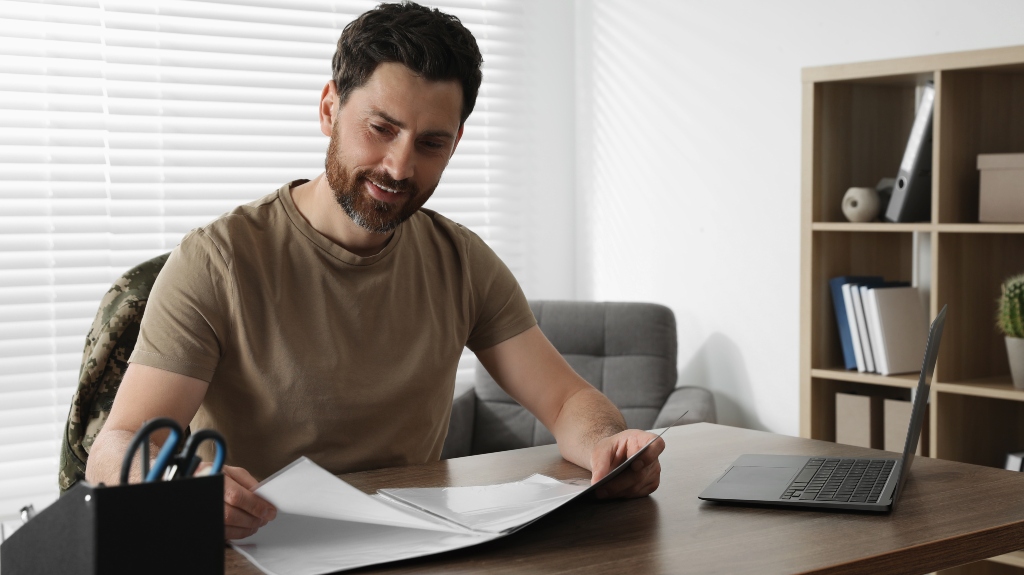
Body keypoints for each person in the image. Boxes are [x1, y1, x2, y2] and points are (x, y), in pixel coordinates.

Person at [85, 2, 665, 541]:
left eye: (431, 142)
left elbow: (568, 403)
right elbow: (115, 447)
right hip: (263, 546)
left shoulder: (461, 261)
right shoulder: (218, 260)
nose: (399, 165)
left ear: (456, 142)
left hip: (412, 543)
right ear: (329, 108)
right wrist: (178, 486)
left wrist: (608, 449)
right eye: (381, 128)